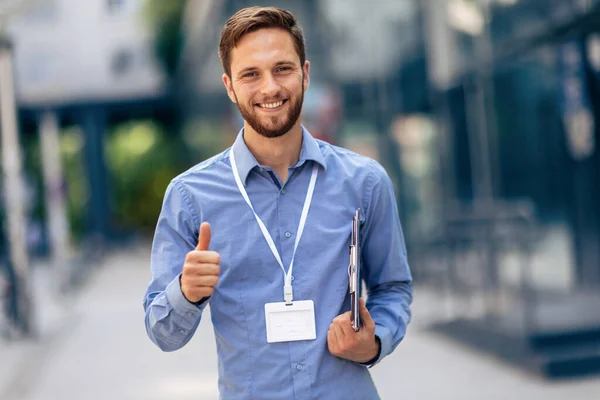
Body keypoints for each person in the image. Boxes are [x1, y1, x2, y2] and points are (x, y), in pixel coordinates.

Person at [143, 6, 412, 399]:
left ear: (305, 74)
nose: (269, 87)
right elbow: (161, 331)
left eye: (282, 69)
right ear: (230, 86)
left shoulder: (364, 182)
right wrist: (186, 291)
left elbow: (393, 287)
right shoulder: (189, 196)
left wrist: (374, 343)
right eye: (250, 74)